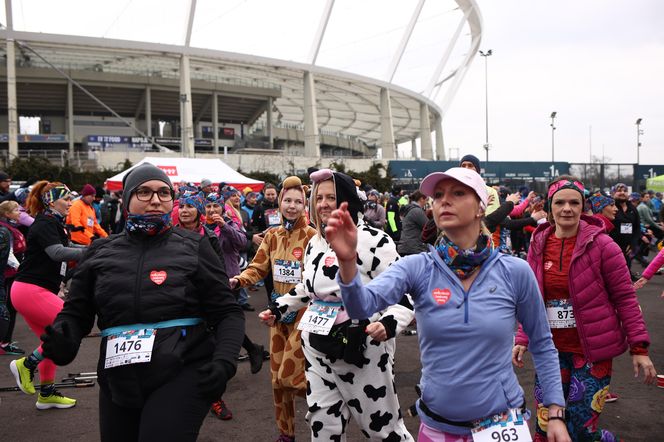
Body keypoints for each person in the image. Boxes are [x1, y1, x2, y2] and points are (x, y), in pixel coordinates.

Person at [326, 167, 570, 442]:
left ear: (480, 207)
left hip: (501, 422)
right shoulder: (417, 267)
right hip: (438, 425)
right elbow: (361, 308)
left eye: (457, 193)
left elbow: (542, 342)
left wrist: (555, 411)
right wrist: (347, 262)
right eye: (438, 194)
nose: (444, 200)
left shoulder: (515, 271)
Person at [23, 164, 245, 440]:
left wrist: (224, 362)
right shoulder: (101, 251)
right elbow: (75, 313)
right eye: (144, 192)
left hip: (182, 369)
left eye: (164, 193)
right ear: (127, 199)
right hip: (117, 377)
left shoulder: (194, 245)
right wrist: (63, 338)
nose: (155, 199)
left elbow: (227, 312)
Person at [260, 169, 415, 441]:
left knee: (382, 430)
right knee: (322, 424)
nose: (323, 204)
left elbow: (405, 293)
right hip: (317, 348)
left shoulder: (376, 241)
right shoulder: (315, 243)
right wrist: (280, 307)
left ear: (346, 199)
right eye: (318, 198)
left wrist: (389, 323)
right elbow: (308, 287)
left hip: (363, 351)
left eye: (331, 197)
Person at [513, 175, 656, 441]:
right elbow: (531, 299)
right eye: (560, 202)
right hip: (550, 351)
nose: (567, 208)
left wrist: (639, 348)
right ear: (550, 207)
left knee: (581, 430)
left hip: (592, 351)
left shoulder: (603, 245)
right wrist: (523, 336)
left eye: (574, 202)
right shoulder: (538, 243)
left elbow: (625, 298)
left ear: (583, 207)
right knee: (545, 428)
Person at [231, 176, 316, 442]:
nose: (292, 206)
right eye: (287, 201)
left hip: (305, 314)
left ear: (305, 205)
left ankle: (325, 406)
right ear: (279, 203)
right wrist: (239, 280)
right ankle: (286, 433)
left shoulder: (313, 237)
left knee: (291, 376)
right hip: (277, 313)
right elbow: (258, 267)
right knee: (277, 382)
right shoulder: (273, 236)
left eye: (298, 202)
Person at [8, 181, 85, 409]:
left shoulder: (57, 224)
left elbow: (69, 246)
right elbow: (57, 253)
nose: (71, 203)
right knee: (72, 325)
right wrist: (93, 250)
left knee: (51, 341)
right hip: (30, 290)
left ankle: (47, 393)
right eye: (67, 199)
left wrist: (97, 246)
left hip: (32, 291)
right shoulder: (45, 222)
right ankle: (27, 364)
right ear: (51, 201)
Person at [0, 201, 27, 355]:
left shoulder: (10, 228)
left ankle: (5, 339)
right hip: (7, 275)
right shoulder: (5, 230)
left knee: (10, 307)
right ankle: (4, 342)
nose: (20, 212)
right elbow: (9, 254)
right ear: (7, 214)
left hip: (10, 274)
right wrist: (21, 268)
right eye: (16, 210)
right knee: (8, 308)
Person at [397, 190, 429, 256]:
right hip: (413, 248)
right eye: (426, 200)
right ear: (421, 199)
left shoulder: (410, 208)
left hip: (405, 247)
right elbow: (428, 227)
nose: (426, 203)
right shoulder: (417, 211)